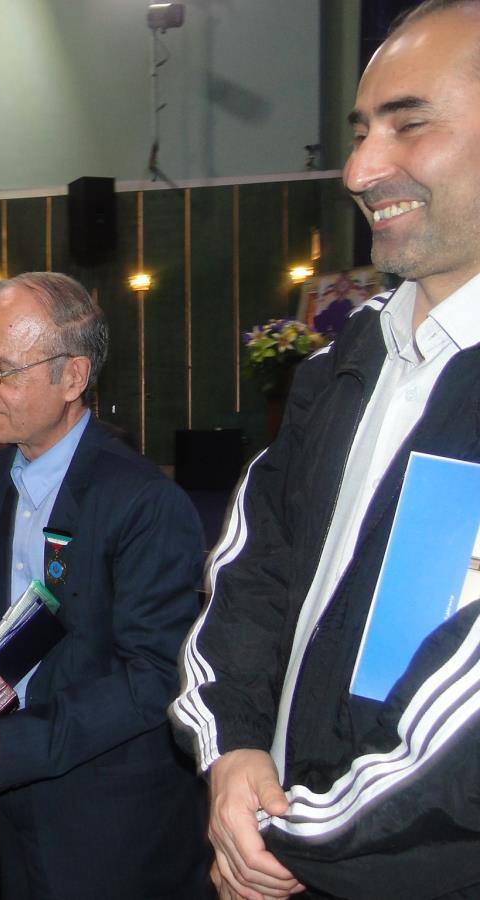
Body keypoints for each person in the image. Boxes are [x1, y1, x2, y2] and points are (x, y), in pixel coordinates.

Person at [170, 4, 480, 898]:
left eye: (408, 124)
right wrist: (234, 753)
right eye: (359, 131)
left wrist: (289, 836)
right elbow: (255, 570)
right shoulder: (347, 359)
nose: (359, 170)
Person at [0, 272, 210, 899]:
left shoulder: (143, 502)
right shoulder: (1, 478)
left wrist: (13, 744)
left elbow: (155, 676)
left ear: (72, 378)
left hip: (113, 813)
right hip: (18, 795)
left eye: (1, 369)